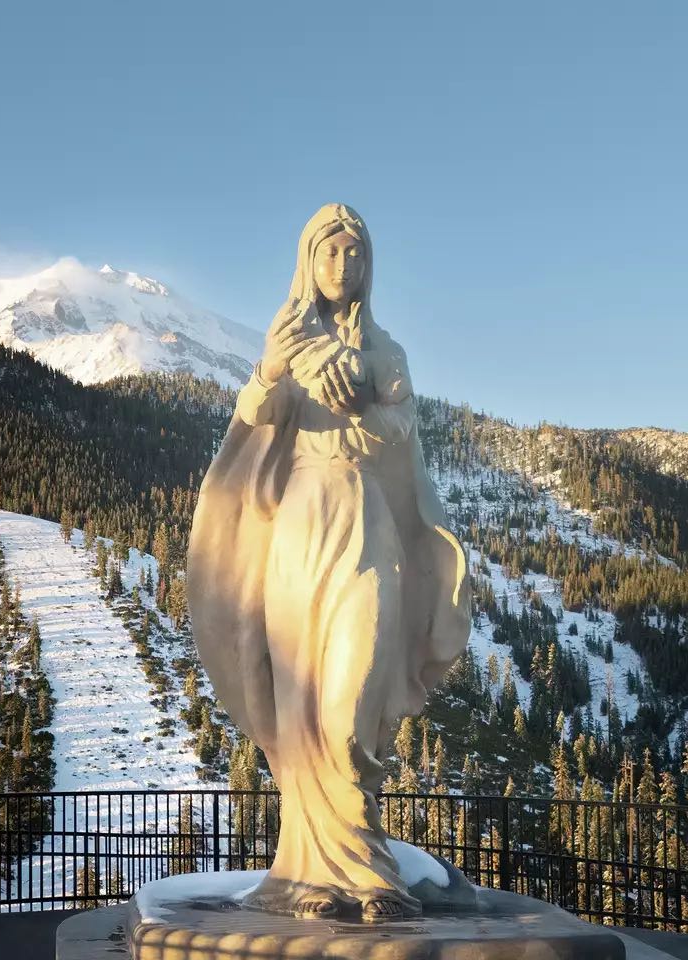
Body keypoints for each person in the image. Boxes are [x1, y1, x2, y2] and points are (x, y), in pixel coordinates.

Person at [187, 203, 470, 920]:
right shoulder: (286, 338)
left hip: (367, 522)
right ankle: (312, 877)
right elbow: (256, 414)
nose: (347, 266)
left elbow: (402, 433)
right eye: (332, 252)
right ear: (309, 262)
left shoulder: (389, 357)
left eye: (358, 254)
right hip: (300, 527)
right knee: (303, 704)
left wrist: (362, 401)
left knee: (350, 698)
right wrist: (270, 370)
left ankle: (366, 870)